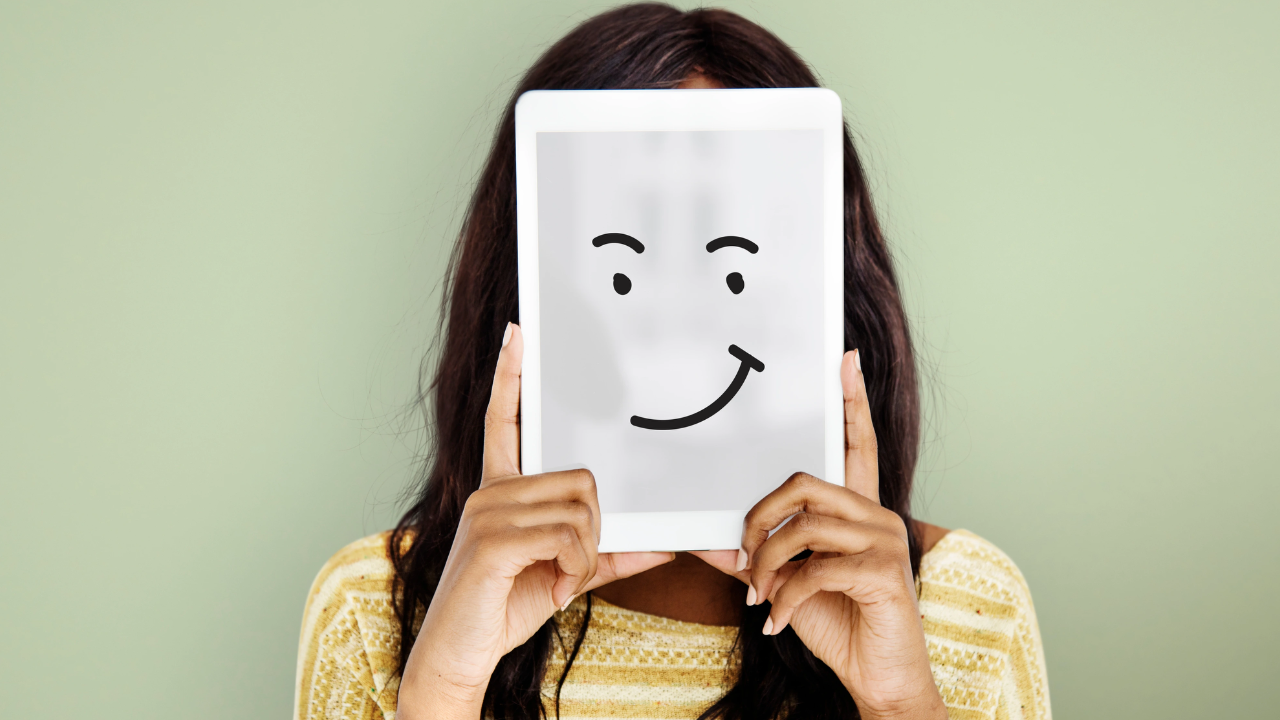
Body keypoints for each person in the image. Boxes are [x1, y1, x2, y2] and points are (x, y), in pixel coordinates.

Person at [294, 5, 1050, 719]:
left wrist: (898, 703)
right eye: (621, 271)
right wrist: (445, 688)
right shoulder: (373, 610)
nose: (679, 318)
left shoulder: (965, 610)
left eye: (731, 269)